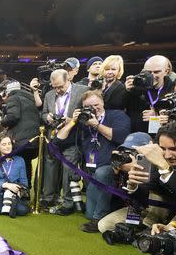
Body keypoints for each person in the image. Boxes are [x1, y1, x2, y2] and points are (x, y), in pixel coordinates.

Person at [55, 89, 131, 232]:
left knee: (103, 173)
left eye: (96, 104)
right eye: (88, 106)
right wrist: (73, 122)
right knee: (88, 213)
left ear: (102, 102)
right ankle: (108, 210)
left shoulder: (117, 115)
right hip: (91, 171)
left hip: (112, 167)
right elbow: (58, 140)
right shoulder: (82, 123)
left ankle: (97, 220)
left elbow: (120, 137)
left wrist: (96, 125)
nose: (93, 108)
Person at [40, 68, 84, 214]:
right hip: (53, 136)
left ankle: (68, 203)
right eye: (55, 87)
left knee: (68, 169)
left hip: (73, 137)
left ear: (68, 80)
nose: (58, 90)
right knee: (50, 167)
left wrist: (73, 120)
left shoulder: (82, 91)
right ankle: (48, 197)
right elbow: (44, 112)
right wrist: (47, 117)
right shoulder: (48, 95)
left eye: (61, 86)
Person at [0, 80, 41, 187]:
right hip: (33, 140)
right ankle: (26, 188)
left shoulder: (13, 97)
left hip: (20, 140)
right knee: (26, 163)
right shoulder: (30, 99)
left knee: (17, 163)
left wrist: (2, 121)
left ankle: (18, 189)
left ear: (8, 92)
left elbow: (13, 116)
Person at [124, 54, 175, 133]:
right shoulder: (136, 87)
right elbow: (120, 107)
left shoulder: (173, 89)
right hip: (138, 135)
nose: (152, 76)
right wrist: (126, 91)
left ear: (166, 71)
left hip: (164, 136)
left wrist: (156, 115)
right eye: (148, 72)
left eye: (156, 72)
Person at [0, 134, 29, 218]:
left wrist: (20, 190)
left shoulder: (20, 160)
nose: (7, 146)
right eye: (4, 144)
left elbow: (24, 181)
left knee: (23, 210)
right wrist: (7, 185)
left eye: (9, 143)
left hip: (13, 192)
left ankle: (6, 204)